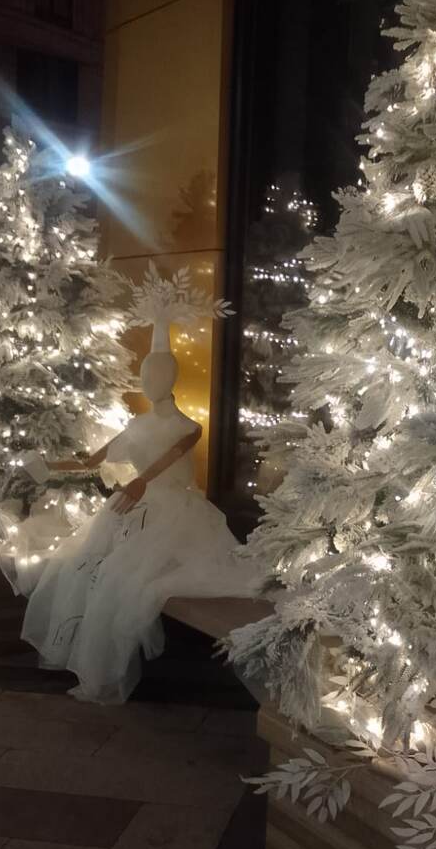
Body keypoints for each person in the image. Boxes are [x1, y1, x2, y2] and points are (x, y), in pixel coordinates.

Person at [18, 268, 259, 704]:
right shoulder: (136, 424)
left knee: (122, 576)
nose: (148, 382)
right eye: (146, 374)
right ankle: (90, 655)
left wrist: (140, 483)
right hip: (132, 508)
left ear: (170, 378)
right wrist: (47, 466)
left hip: (174, 513)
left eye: (156, 374)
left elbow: (170, 457)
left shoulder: (189, 426)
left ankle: (110, 665)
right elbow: (92, 461)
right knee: (85, 566)